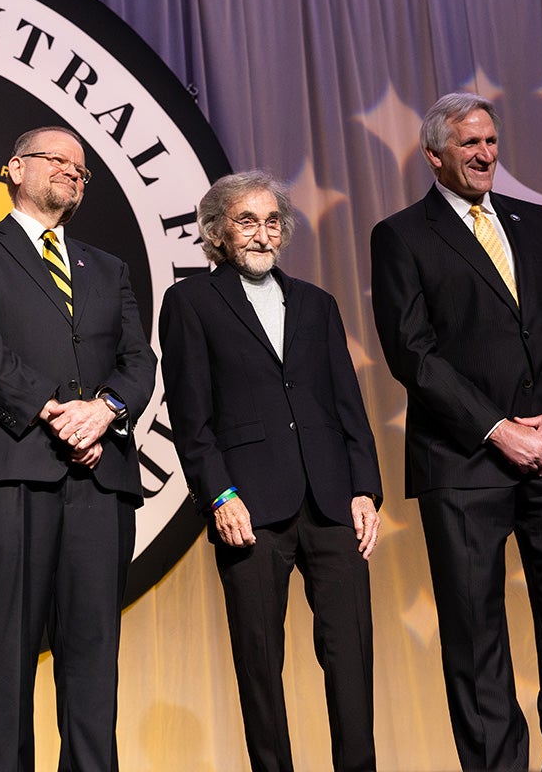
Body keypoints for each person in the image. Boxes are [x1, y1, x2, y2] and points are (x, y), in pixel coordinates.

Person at [370, 92, 542, 769]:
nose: (486, 155)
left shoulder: (536, 223)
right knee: (476, 641)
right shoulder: (402, 235)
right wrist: (498, 429)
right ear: (434, 155)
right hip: (465, 462)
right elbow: (412, 352)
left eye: (492, 143)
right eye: (470, 144)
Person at [0, 125, 156, 771]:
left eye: (82, 171)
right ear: (14, 168)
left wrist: (104, 410)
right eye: (57, 160)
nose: (72, 174)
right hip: (6, 468)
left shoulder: (107, 268)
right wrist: (56, 412)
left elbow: (138, 360)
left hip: (97, 479)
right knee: (7, 654)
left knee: (92, 658)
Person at [159, 170, 383, 772]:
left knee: (351, 657)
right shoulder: (189, 302)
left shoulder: (317, 302)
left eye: (273, 221)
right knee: (259, 663)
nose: (263, 234)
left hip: (333, 502)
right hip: (249, 508)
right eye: (247, 221)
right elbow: (190, 415)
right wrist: (219, 495)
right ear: (217, 233)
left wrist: (366, 489)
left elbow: (348, 405)